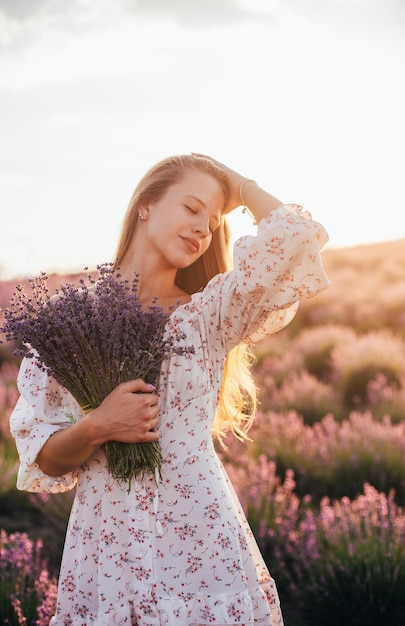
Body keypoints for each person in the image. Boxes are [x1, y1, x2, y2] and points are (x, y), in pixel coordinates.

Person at [10, 154, 330, 625]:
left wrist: (236, 185)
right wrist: (98, 426)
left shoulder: (209, 316)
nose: (203, 229)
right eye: (192, 208)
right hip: (108, 541)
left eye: (213, 222)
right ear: (146, 205)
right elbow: (43, 456)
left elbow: (297, 239)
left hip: (199, 533)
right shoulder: (67, 322)